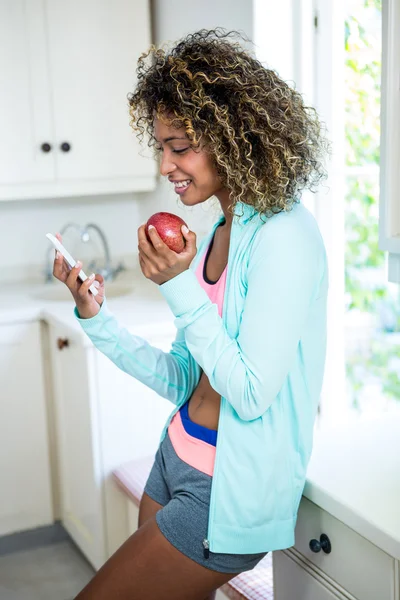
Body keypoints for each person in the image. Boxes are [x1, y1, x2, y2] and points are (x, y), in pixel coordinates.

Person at [53, 28, 330, 600]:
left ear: (232, 139)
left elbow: (250, 392)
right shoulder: (220, 232)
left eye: (180, 147)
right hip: (175, 455)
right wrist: (94, 317)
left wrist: (178, 287)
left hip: (223, 491)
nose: (166, 165)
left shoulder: (287, 236)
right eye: (160, 147)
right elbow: (184, 377)